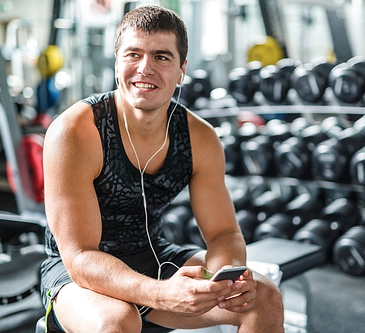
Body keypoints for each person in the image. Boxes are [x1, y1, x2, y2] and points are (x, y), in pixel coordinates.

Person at [40, 5, 284, 333]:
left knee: (264, 297)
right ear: (117, 64)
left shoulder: (199, 138)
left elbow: (224, 233)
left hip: (152, 254)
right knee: (116, 322)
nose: (145, 68)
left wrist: (225, 278)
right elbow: (81, 257)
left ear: (182, 70)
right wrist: (161, 294)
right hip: (76, 273)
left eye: (161, 57)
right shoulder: (75, 132)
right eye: (133, 55)